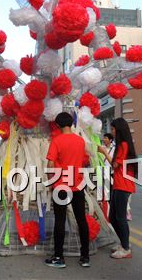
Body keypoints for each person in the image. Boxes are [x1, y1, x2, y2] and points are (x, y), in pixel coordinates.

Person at [45, 112, 90, 269]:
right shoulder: (80, 141)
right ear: (71, 124)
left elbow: (50, 165)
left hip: (61, 186)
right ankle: (85, 257)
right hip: (77, 185)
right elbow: (86, 160)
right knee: (81, 220)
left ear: (57, 125)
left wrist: (51, 180)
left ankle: (59, 257)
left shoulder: (56, 141)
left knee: (60, 220)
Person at [107, 118, 136, 259]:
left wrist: (103, 152)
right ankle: (124, 243)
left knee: (120, 218)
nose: (112, 132)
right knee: (112, 217)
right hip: (119, 184)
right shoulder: (123, 145)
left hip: (123, 185)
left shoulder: (123, 145)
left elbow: (115, 165)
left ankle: (125, 248)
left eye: (113, 129)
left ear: (118, 130)